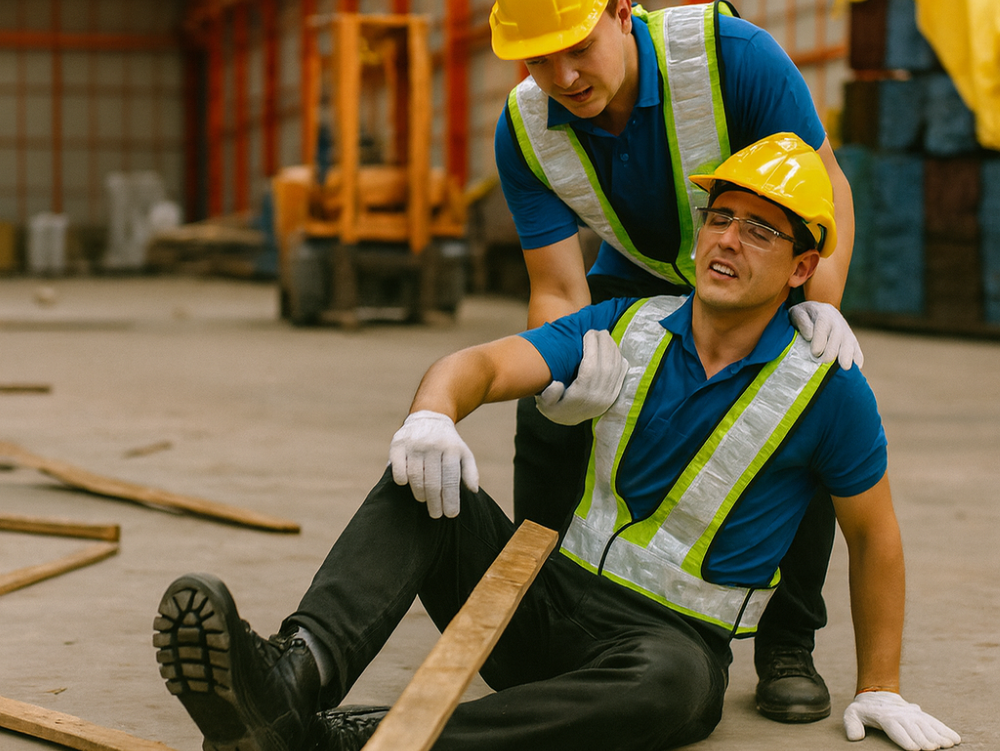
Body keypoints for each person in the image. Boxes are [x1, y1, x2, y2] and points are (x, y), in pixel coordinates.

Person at [153, 135, 960, 751]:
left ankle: (364, 737)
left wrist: (880, 685)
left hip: (666, 643)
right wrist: (433, 412)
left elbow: (874, 536)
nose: (727, 240)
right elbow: (479, 363)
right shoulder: (627, 325)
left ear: (801, 266)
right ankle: (288, 683)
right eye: (719, 217)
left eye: (759, 230)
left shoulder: (828, 387)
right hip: (541, 603)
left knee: (675, 690)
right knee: (424, 478)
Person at [491, 0, 861, 721]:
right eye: (537, 60)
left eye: (576, 47)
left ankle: (789, 640)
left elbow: (825, 189)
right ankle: (535, 604)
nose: (561, 76)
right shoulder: (524, 128)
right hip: (636, 272)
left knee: (806, 400)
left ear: (621, 12)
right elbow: (558, 287)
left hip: (753, 266)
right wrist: (557, 380)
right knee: (545, 405)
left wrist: (819, 307)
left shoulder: (734, 57)